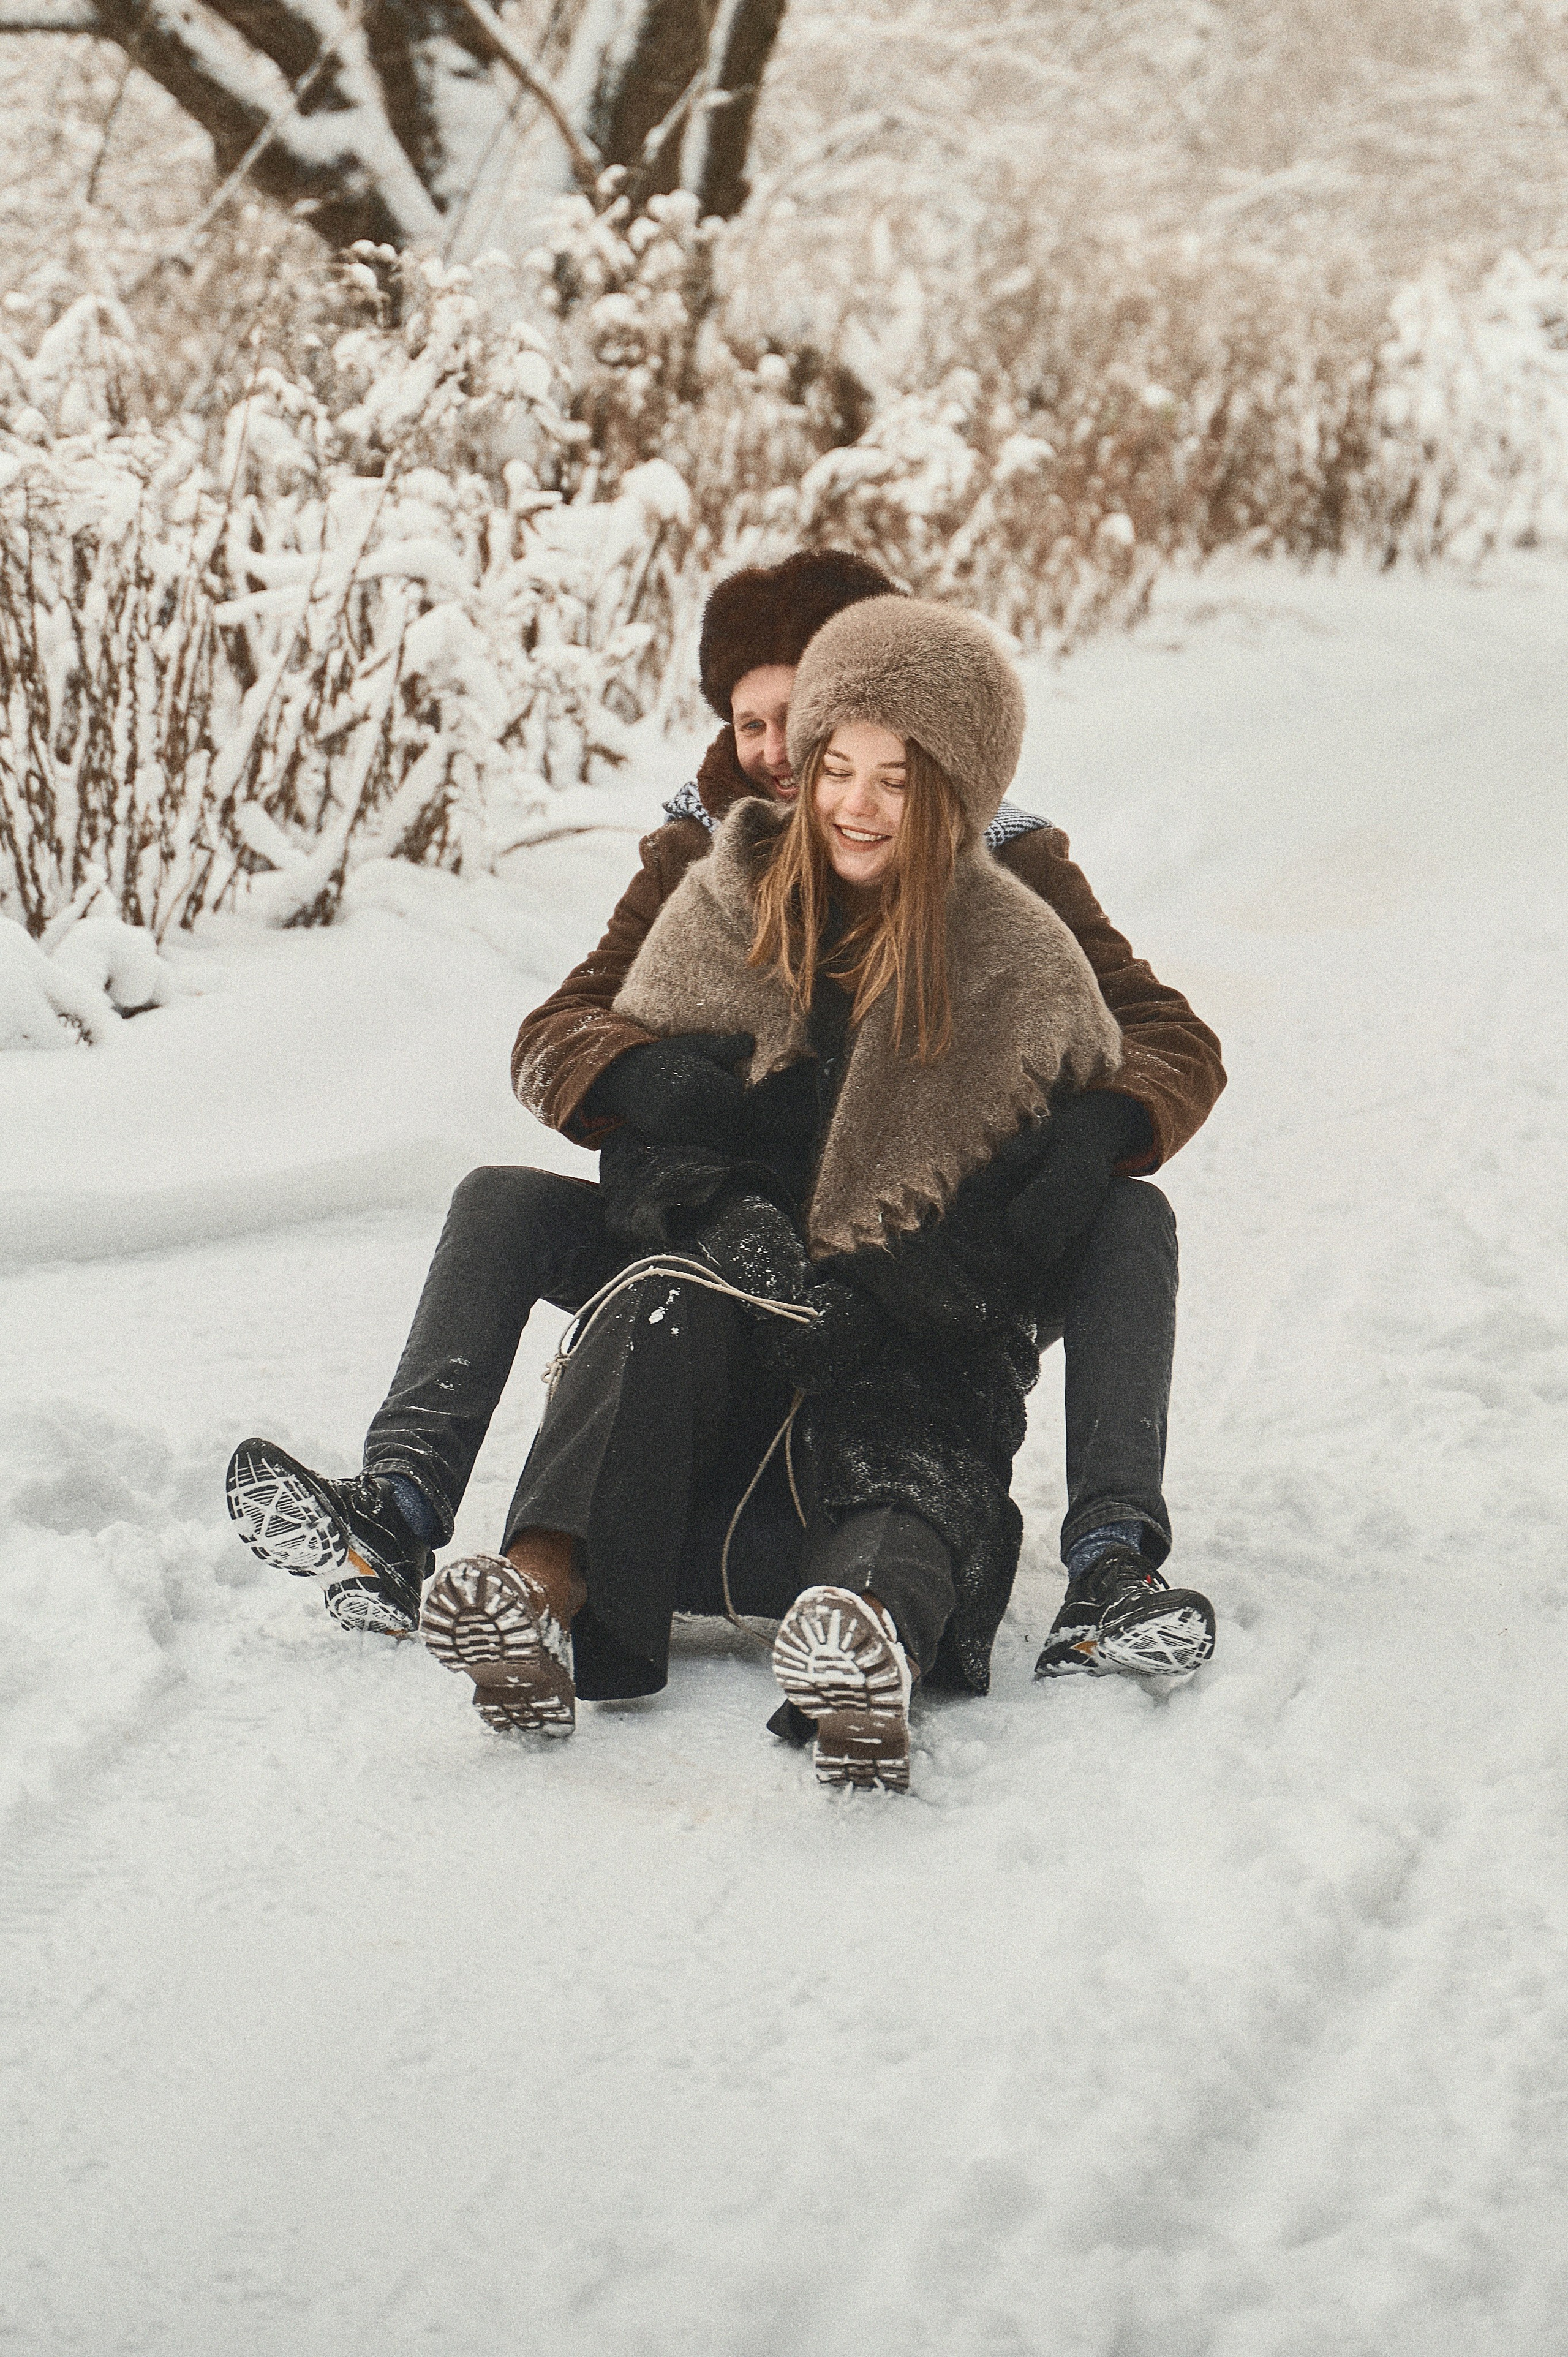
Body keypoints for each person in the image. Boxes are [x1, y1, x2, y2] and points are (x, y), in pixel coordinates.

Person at [225, 550, 1223, 1708]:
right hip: (715, 1224)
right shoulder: (707, 854)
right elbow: (564, 1026)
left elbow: (1160, 1031)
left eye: (800, 715)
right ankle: (395, 1513)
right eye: (753, 725)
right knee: (500, 1202)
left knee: (1131, 1218)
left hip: (939, 1250)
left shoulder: (1001, 859)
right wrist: (645, 1080)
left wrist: (1103, 1124)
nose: (780, 752)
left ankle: (1110, 1564)